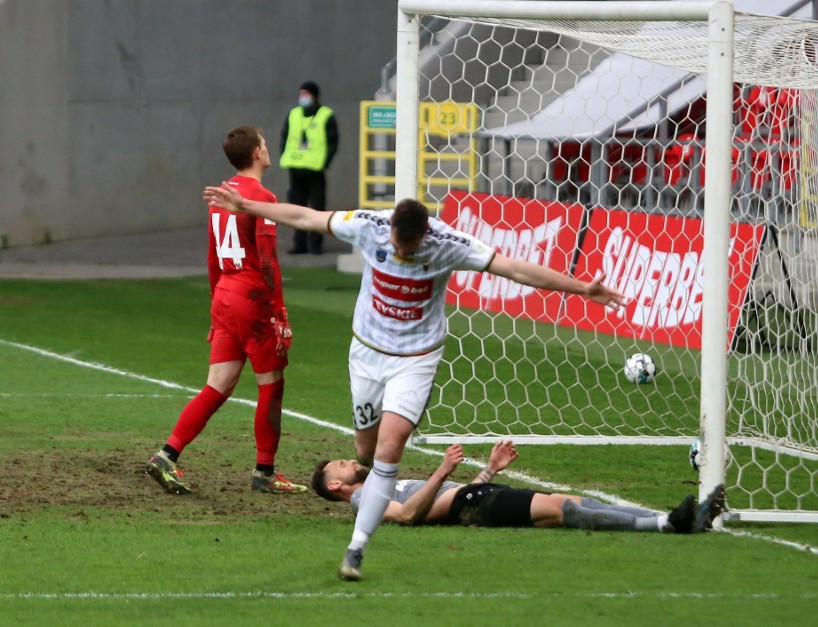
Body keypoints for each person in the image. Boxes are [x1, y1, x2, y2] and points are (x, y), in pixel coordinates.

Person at [200, 185, 626, 582]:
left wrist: (581, 288)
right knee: (365, 451)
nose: (401, 253)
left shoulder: (449, 245)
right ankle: (373, 493)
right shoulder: (371, 227)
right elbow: (307, 216)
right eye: (397, 247)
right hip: (366, 354)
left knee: (389, 450)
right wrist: (247, 206)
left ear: (425, 234)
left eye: (409, 247)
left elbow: (515, 269)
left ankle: (356, 548)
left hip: (416, 358)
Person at [145, 126, 307, 496]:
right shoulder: (261, 197)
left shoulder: (221, 196)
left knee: (217, 385)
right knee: (271, 383)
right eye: (264, 145)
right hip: (251, 297)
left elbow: (212, 254)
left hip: (224, 294)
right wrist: (279, 313)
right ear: (255, 154)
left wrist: (215, 307)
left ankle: (167, 455)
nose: (268, 150)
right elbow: (268, 261)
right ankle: (264, 472)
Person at [312, 441, 727, 533]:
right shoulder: (364, 498)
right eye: (342, 465)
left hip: (474, 499)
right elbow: (405, 517)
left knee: (574, 502)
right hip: (472, 507)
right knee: (565, 511)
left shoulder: (380, 484)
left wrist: (488, 470)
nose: (351, 461)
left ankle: (677, 520)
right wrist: (440, 472)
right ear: (336, 484)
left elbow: (444, 500)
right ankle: (670, 525)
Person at [279, 80, 339, 255]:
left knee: (317, 207)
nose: (302, 97)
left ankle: (315, 245)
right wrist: (286, 155)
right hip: (296, 168)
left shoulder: (325, 115)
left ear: (314, 96)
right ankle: (299, 244)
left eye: (306, 94)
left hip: (315, 169)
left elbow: (332, 142)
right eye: (301, 94)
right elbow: (285, 137)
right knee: (297, 207)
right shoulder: (294, 114)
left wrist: (325, 162)